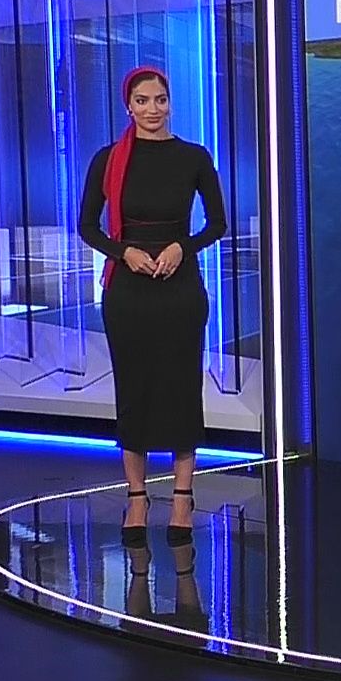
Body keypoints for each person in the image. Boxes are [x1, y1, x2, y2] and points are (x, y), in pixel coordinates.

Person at [79, 67, 227, 549]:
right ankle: (137, 497)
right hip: (128, 290)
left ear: (170, 102)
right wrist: (124, 252)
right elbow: (87, 226)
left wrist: (183, 247)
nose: (152, 109)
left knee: (182, 389)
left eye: (160, 99)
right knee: (134, 390)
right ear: (129, 105)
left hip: (179, 288)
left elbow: (218, 224)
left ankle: (183, 497)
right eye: (142, 100)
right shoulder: (108, 159)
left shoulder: (194, 157)